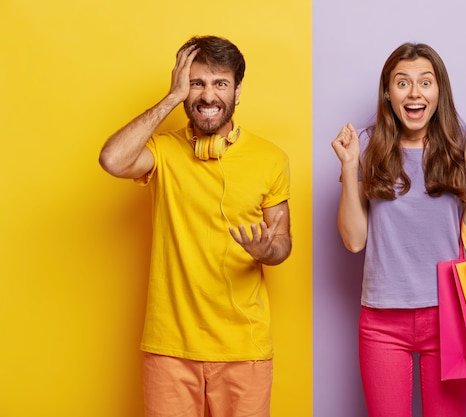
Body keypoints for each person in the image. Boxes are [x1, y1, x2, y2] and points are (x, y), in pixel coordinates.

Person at [99, 35, 292, 417]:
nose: (208, 95)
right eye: (196, 83)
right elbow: (112, 160)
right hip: (170, 347)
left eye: (220, 83)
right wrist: (170, 97)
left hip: (244, 349)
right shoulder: (163, 151)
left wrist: (267, 251)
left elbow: (283, 242)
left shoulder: (271, 159)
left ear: (237, 91)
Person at [331, 43, 466, 417]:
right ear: (388, 93)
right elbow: (354, 241)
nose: (415, 92)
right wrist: (348, 167)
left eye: (426, 82)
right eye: (402, 82)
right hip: (382, 320)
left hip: (450, 315)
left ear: (440, 91)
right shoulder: (367, 145)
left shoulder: (460, 142)